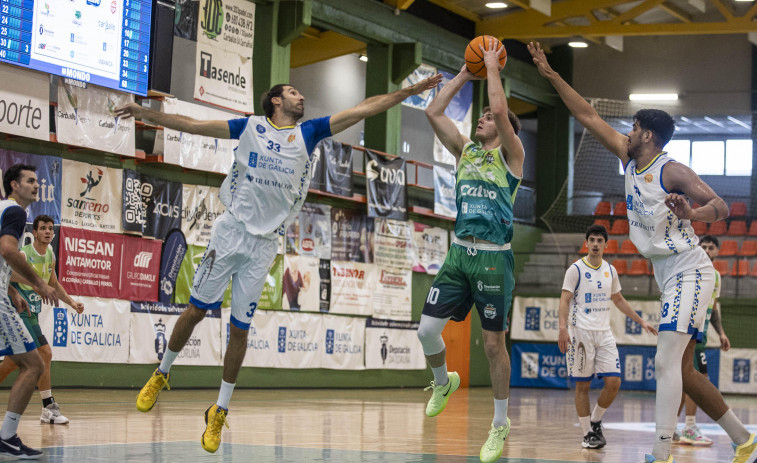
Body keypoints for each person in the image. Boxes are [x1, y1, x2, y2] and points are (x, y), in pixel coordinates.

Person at [115, 73, 442, 453]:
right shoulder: (250, 126)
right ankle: (162, 373)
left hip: (264, 245)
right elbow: (193, 125)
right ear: (274, 101)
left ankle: (218, 410)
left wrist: (407, 92)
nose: (301, 96)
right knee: (195, 311)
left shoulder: (309, 133)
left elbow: (360, 110)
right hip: (230, 231)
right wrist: (144, 112)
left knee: (240, 330)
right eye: (293, 92)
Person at [527, 41, 757, 463]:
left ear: (646, 134)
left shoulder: (672, 170)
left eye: (632, 129)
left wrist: (692, 212)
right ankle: (744, 438)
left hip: (690, 268)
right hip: (666, 273)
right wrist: (551, 74)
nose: (627, 134)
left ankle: (661, 451)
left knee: (665, 360)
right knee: (683, 372)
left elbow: (721, 208)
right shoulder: (629, 160)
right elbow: (586, 114)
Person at [419, 37, 524, 463]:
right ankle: (443, 381)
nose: (482, 119)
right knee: (426, 331)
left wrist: (493, 64)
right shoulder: (465, 152)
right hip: (459, 253)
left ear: (503, 130)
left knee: (494, 346)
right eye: (479, 116)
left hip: (495, 259)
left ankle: (499, 424)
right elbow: (432, 111)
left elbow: (500, 109)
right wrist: (467, 70)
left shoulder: (512, 158)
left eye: (487, 117)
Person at [559, 224, 657, 449]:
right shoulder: (575, 269)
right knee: (582, 386)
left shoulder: (610, 270)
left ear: (605, 244)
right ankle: (587, 434)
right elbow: (564, 299)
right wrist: (562, 328)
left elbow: (619, 299)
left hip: (604, 334)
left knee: (614, 382)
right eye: (591, 240)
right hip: (580, 334)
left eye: (599, 240)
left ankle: (595, 421)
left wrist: (641, 321)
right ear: (586, 243)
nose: (595, 244)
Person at [0, 214, 85, 425]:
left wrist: (72, 303)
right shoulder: (23, 253)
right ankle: (48, 407)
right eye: (43, 228)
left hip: (33, 314)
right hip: (18, 309)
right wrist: (35, 283)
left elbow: (53, 283)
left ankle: (48, 409)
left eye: (50, 228)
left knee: (14, 362)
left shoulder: (50, 255)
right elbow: (7, 274)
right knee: (44, 352)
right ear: (35, 232)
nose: (48, 231)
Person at [0, 164, 58, 459]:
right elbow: (8, 251)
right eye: (30, 181)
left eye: (38, 180)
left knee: (30, 360)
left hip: (3, 296)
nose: (37, 185)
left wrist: (12, 291)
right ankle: (7, 436)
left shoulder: (3, 211)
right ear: (14, 185)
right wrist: (38, 283)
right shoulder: (15, 212)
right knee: (33, 365)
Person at [673, 234, 731, 446]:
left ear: (717, 252)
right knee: (697, 378)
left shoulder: (715, 276)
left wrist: (721, 332)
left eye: (711, 248)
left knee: (685, 379)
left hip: (703, 332)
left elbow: (713, 307)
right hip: (691, 332)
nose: (707, 251)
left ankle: (672, 428)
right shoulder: (692, 271)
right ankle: (689, 427)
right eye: (703, 247)